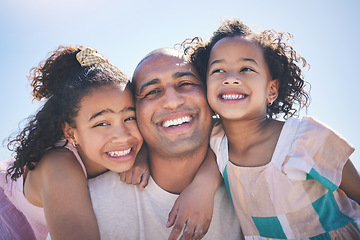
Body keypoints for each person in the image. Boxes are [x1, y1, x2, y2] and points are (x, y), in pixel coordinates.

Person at [184, 19, 360, 239]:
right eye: (218, 70)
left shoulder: (305, 138)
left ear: (272, 90)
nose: (231, 79)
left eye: (246, 68)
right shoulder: (216, 140)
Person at [87, 48, 243, 239]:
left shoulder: (256, 185)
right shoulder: (91, 203)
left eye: (185, 83)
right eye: (152, 92)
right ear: (134, 113)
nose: (172, 101)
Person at [1, 46, 144, 240]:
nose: (122, 136)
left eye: (130, 117)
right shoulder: (58, 167)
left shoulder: (128, 143)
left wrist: (144, 155)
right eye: (102, 123)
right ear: (70, 132)